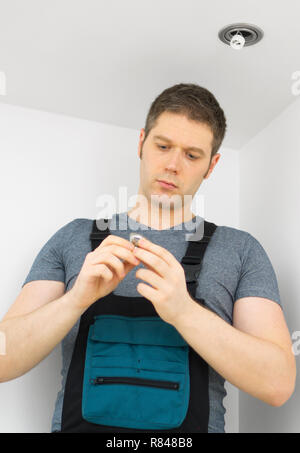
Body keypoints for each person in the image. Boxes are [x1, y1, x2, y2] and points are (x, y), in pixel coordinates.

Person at [0, 83, 296, 433]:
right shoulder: (74, 238)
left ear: (212, 165)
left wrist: (184, 313)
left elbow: (278, 384)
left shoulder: (241, 250)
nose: (172, 165)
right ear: (141, 142)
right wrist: (75, 300)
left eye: (192, 155)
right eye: (163, 146)